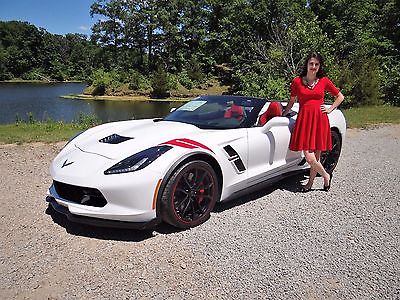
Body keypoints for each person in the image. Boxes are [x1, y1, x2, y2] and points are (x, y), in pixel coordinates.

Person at [282, 52, 344, 192]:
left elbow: (340, 97)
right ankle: (326, 175)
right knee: (309, 157)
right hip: (304, 120)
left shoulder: (324, 81)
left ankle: (310, 183)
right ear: (307, 64)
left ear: (319, 66)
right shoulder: (297, 81)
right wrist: (283, 114)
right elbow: (292, 101)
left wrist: (330, 109)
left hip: (320, 120)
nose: (313, 67)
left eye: (316, 64)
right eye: (311, 64)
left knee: (316, 156)